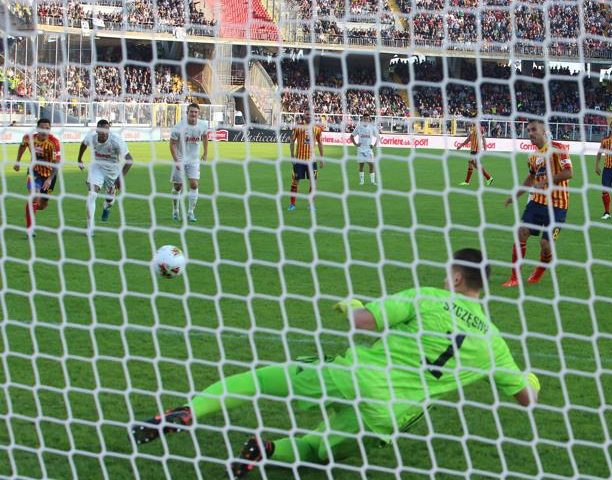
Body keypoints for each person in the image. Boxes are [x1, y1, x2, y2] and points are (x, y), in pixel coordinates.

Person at [131, 248, 540, 478]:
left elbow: (364, 323)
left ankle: (189, 411)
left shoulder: (430, 296)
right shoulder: (494, 343)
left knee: (259, 381)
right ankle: (267, 450)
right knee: (319, 452)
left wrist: (354, 305)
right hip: (391, 413)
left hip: (353, 376)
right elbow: (524, 398)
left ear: (455, 278)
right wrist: (532, 381)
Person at [502, 119, 573, 287]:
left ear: (544, 131)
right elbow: (531, 178)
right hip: (537, 202)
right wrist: (516, 195)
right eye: (528, 131)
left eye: (534, 130)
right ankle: (514, 277)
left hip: (558, 205)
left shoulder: (558, 148)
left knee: (545, 244)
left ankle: (540, 270)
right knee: (521, 232)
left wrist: (547, 181)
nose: (530, 133)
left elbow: (569, 172)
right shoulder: (533, 156)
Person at [77, 120, 133, 234]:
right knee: (92, 194)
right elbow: (83, 144)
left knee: (110, 199)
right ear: (97, 130)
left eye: (106, 130)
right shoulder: (91, 137)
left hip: (112, 172)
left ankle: (107, 206)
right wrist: (79, 159)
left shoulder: (116, 141)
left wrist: (120, 179)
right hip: (96, 167)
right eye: (101, 130)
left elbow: (130, 160)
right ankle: (90, 228)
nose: (103, 132)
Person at [13, 118, 61, 237]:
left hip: (50, 175)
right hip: (34, 171)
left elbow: (57, 164)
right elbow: (22, 146)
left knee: (42, 205)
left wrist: (49, 179)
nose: (44, 131)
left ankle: (31, 207)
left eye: (47, 129)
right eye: (42, 128)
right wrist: (17, 162)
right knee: (34, 196)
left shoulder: (54, 143)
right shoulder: (28, 138)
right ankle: (30, 229)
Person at [170, 103, 209, 222]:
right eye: (191, 112)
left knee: (194, 184)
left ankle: (190, 212)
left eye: (196, 112)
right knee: (178, 187)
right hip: (180, 158)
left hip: (194, 160)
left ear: (198, 114)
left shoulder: (203, 125)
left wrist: (205, 152)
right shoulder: (179, 126)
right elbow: (172, 144)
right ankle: (175, 210)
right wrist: (176, 160)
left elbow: (205, 137)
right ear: (187, 113)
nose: (193, 114)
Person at [288, 112, 324, 211]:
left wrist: (322, 158)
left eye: (310, 115)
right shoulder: (298, 127)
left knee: (313, 183)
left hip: (312, 161)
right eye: (307, 114)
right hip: (299, 160)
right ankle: (292, 204)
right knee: (295, 182)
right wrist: (292, 155)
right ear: (304, 116)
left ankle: (311, 204)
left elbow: (320, 143)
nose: (308, 116)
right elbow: (292, 140)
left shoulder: (317, 129)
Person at [457, 122, 494, 186]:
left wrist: (485, 149)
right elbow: (468, 139)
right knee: (471, 165)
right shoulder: (473, 129)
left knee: (472, 163)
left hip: (477, 150)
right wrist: (461, 145)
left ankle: (489, 177)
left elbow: (483, 139)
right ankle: (467, 182)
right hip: (473, 150)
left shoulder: (480, 129)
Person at [350, 112, 379, 185]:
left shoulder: (372, 127)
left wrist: (374, 145)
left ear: (369, 119)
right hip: (361, 149)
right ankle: (362, 181)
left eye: (367, 118)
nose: (366, 120)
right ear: (362, 119)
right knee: (361, 165)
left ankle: (372, 182)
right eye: (365, 118)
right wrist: (356, 144)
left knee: (371, 165)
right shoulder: (359, 127)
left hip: (369, 149)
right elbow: (351, 136)